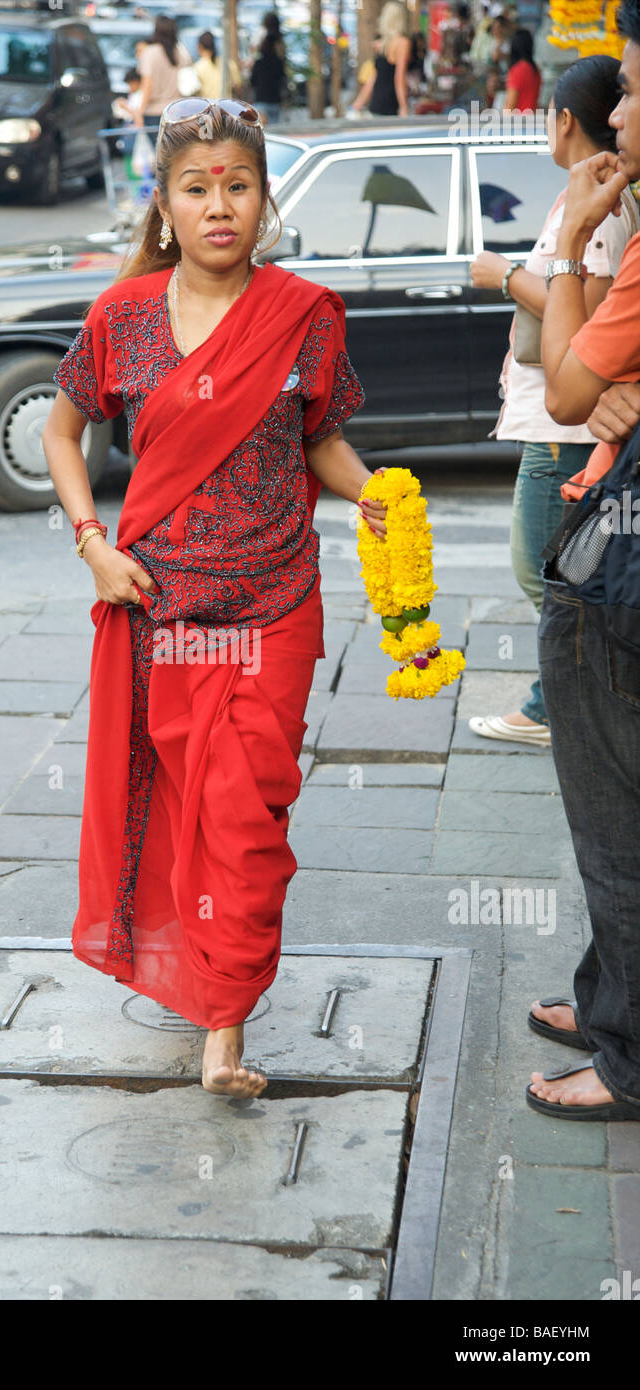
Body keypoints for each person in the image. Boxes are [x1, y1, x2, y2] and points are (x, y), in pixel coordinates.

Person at [42, 97, 386, 1099]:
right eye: (196, 189)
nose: (218, 205)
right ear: (164, 203)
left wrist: (376, 495)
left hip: (274, 608)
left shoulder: (304, 315)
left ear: (261, 197)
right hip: (160, 614)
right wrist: (92, 544)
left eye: (236, 185)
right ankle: (191, 976)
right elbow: (64, 435)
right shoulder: (122, 318)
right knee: (178, 808)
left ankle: (222, 1032)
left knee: (243, 819)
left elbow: (320, 440)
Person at [527, 0, 640, 1122]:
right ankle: (602, 995)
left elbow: (563, 385)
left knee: (613, 827)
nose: (618, 111)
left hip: (617, 576)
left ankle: (624, 1058)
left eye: (636, 91)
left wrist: (567, 241)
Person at [469, 55, 639, 747]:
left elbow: (578, 365)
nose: (619, 115)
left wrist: (510, 274)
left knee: (559, 580)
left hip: (562, 426)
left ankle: (560, 701)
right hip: (559, 414)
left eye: (631, 95)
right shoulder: (590, 198)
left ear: (561, 118)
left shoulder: (597, 208)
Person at [133, 15, 194, 129]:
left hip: (153, 112)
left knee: (157, 146)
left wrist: (139, 112)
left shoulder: (150, 53)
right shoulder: (180, 52)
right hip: (176, 109)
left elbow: (148, 85)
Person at [352, 1, 412, 118]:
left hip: (376, 104)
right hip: (391, 104)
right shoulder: (402, 43)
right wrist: (404, 107)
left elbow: (373, 78)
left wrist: (357, 104)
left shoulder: (383, 44)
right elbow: (399, 77)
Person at [249, 12, 287, 126]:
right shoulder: (280, 55)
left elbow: (253, 80)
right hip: (275, 99)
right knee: (275, 131)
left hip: (261, 98)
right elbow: (283, 77)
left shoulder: (260, 60)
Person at [193, 30, 241, 100]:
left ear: (199, 46)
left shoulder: (197, 67)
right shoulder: (228, 63)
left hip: (208, 109)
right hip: (225, 108)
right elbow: (238, 87)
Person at [503, 27, 541, 113]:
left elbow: (510, 104)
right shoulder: (535, 70)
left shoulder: (518, 70)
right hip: (532, 119)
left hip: (518, 122)